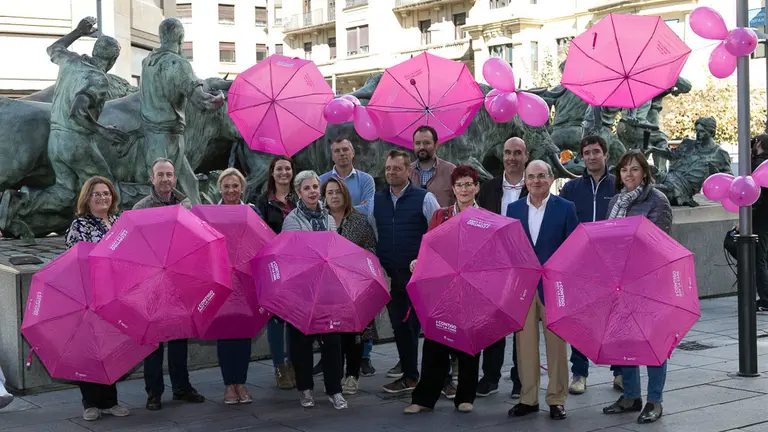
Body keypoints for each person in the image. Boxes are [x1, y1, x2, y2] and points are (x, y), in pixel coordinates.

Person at [0, 17, 127, 237]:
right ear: (113, 59)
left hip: (55, 141)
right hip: (77, 142)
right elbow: (78, 111)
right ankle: (114, 236)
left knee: (65, 191)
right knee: (108, 188)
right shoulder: (98, 79)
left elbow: (53, 48)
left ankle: (15, 206)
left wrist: (78, 32)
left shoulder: (72, 61)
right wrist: (104, 131)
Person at [404, 165, 483, 415]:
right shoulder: (441, 215)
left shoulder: (486, 219)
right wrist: (419, 262)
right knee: (435, 342)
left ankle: (465, 396)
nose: (464, 189)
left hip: (472, 289)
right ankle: (425, 398)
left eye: (469, 183)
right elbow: (430, 248)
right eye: (459, 184)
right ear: (454, 189)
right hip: (444, 288)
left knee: (470, 342)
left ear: (477, 187)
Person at [602, 151, 673, 424]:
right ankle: (631, 396)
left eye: (634, 169)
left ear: (644, 172)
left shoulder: (657, 201)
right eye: (623, 170)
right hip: (618, 280)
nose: (628, 175)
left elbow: (658, 244)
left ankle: (655, 400)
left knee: (653, 342)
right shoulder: (616, 201)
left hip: (648, 281)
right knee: (624, 340)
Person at [506, 160, 579, 421]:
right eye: (531, 177)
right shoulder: (513, 209)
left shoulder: (566, 208)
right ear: (525, 181)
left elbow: (575, 248)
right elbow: (509, 249)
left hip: (554, 288)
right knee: (524, 347)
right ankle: (528, 399)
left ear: (550, 179)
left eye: (541, 176)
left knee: (557, 347)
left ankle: (556, 400)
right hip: (523, 289)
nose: (536, 181)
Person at [369, 150, 440, 394]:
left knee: (429, 328)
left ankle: (444, 379)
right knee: (401, 326)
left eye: (396, 168)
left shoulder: (425, 198)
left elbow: (438, 234)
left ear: (409, 171)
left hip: (420, 275)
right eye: (388, 168)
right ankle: (410, 376)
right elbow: (373, 232)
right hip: (392, 275)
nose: (391, 173)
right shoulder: (376, 200)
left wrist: (424, 262)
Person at [134, 158, 202, 411]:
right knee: (154, 340)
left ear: (175, 178)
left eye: (169, 175)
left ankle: (182, 387)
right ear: (151, 179)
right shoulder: (141, 208)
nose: (165, 179)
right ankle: (154, 392)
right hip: (152, 281)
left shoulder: (186, 205)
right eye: (160, 175)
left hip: (179, 280)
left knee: (179, 337)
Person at [558, 136, 621, 395]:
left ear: (605, 155)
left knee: (614, 319)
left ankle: (619, 371)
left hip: (613, 264)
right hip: (581, 265)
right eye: (587, 153)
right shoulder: (571, 188)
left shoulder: (619, 185)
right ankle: (579, 372)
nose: (592, 157)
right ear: (582, 157)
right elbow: (561, 221)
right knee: (581, 320)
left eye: (596, 152)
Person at [64, 176, 130, 421]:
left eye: (106, 193)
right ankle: (90, 402)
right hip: (89, 294)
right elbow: (72, 262)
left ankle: (110, 401)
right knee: (90, 349)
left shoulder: (119, 222)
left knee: (110, 348)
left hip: (116, 294)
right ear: (87, 198)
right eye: (97, 194)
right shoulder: (80, 225)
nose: (103, 197)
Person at [140, 18, 224, 204]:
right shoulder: (177, 64)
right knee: (163, 190)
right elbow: (203, 103)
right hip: (168, 136)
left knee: (189, 183)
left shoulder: (148, 62)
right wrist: (221, 98)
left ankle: (199, 223)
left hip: (155, 136)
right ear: (180, 38)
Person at [281, 170, 347, 409]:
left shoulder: (329, 218)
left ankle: (334, 390)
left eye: (314, 187)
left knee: (332, 340)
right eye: (306, 188)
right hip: (302, 288)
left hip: (327, 287)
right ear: (298, 192)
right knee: (301, 341)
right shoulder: (292, 220)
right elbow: (290, 255)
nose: (312, 192)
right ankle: (306, 389)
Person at [316, 137, 377, 377]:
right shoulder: (321, 180)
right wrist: (351, 207)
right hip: (330, 263)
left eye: (345, 150)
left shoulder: (366, 179)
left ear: (353, 153)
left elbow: (368, 209)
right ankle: (328, 358)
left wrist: (350, 209)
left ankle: (364, 357)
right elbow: (320, 209)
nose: (342, 154)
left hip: (357, 253)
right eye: (337, 151)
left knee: (361, 312)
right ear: (332, 155)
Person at [475, 136, 529, 399]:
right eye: (508, 152)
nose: (512, 158)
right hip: (494, 265)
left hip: (523, 265)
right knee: (493, 324)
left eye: (517, 152)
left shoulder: (534, 185)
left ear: (526, 156)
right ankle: (491, 377)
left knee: (521, 325)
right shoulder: (488, 188)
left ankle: (520, 379)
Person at [215, 168, 261, 405]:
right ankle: (228, 386)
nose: (231, 190)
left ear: (242, 188)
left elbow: (260, 243)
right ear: (219, 189)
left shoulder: (252, 212)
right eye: (226, 186)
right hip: (222, 280)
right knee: (224, 333)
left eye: (235, 186)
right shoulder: (211, 214)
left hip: (246, 279)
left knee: (244, 333)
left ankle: (240, 383)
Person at [255, 156, 297, 389]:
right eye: (279, 169)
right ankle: (280, 366)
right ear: (272, 173)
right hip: (273, 266)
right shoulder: (263, 201)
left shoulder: (299, 198)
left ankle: (294, 363)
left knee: (294, 317)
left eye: (287, 168)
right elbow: (260, 232)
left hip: (297, 264)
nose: (283, 172)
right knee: (276, 318)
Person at [410, 125, 457, 208]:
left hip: (443, 220)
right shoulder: (406, 171)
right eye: (417, 143)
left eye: (426, 143)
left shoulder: (450, 170)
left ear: (436, 144)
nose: (421, 147)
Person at [751, 135, 768, 313]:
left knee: (759, 259)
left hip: (761, 218)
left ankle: (765, 299)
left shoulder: (757, 166)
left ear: (760, 144)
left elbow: (752, 194)